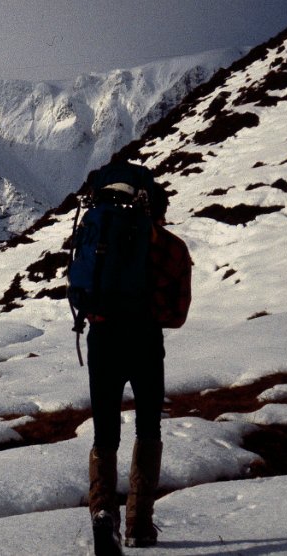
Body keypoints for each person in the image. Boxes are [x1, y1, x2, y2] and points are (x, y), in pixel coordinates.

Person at [86, 184, 190, 552]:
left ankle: (103, 516)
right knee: (148, 427)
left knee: (104, 432)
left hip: (100, 339)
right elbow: (177, 316)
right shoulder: (173, 248)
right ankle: (139, 526)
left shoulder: (98, 236)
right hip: (145, 341)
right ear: (160, 211)